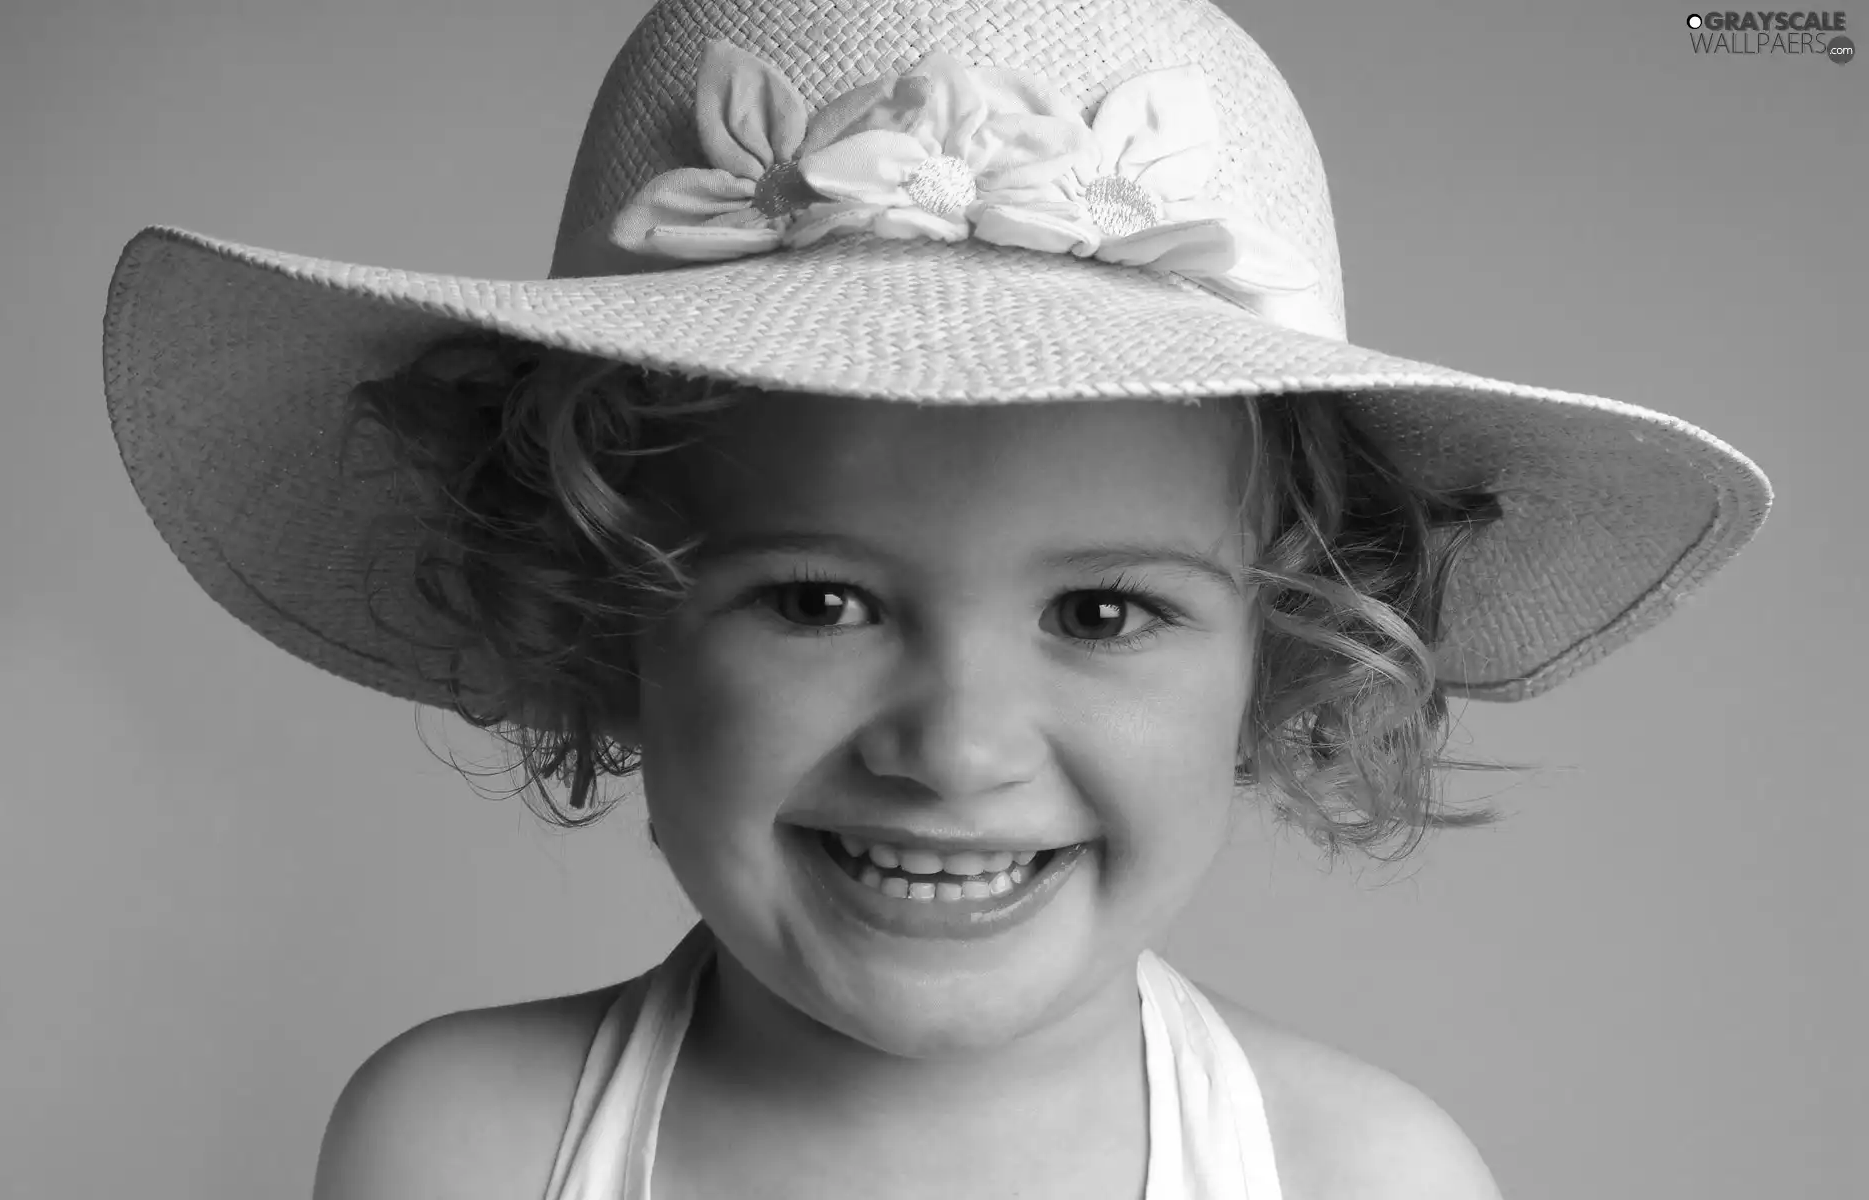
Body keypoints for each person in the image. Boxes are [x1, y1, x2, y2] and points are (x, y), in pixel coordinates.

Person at [100, 1, 1771, 1196]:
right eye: (818, 601)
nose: (958, 750)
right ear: (602, 621)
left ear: (1289, 661)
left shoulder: (1367, 1176)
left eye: (1105, 613)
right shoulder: (457, 1144)